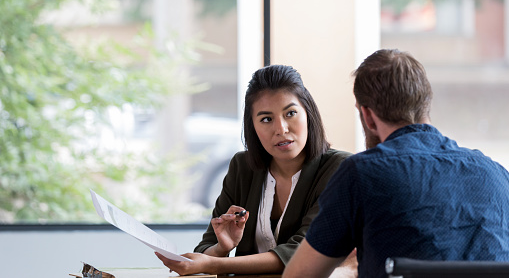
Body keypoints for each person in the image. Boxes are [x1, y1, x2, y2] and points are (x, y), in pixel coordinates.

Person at [283, 49, 509, 278]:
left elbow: (298, 275)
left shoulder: (361, 174)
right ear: (426, 104)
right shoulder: (498, 175)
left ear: (368, 117)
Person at [155, 64, 355, 275]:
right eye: (266, 119)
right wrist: (222, 247)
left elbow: (303, 251)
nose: (281, 129)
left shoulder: (341, 169)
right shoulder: (243, 167)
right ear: (253, 126)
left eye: (291, 113)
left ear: (308, 113)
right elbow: (206, 249)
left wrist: (212, 264)